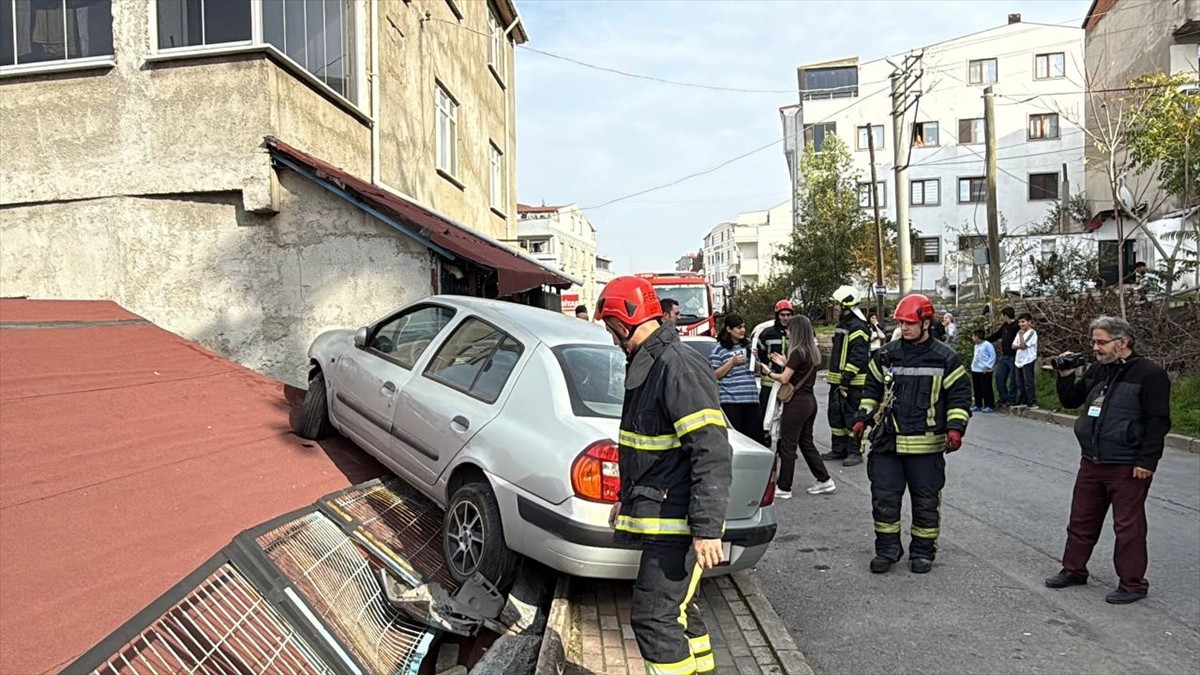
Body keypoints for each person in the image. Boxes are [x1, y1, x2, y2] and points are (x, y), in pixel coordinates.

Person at [595, 276, 729, 674]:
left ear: (623, 322)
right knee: (681, 611)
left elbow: (711, 450)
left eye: (609, 328)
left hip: (679, 522)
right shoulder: (650, 364)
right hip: (665, 515)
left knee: (653, 619)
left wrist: (707, 527)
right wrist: (626, 496)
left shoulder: (677, 366)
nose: (611, 337)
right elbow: (647, 448)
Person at [1045, 316, 1171, 604]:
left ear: (1123, 342)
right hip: (1092, 460)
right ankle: (1074, 570)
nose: (1095, 347)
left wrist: (1147, 461)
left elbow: (1158, 421)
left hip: (1127, 464)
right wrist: (1065, 376)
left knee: (1128, 527)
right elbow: (1071, 401)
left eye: (1101, 342)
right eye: (1094, 342)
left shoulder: (1150, 374)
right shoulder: (1098, 370)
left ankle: (1132, 584)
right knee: (1081, 519)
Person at [853, 293, 971, 574]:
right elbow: (871, 389)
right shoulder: (886, 354)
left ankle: (922, 552)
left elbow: (960, 396)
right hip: (887, 444)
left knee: (926, 501)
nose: (904, 328)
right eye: (901, 323)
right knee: (884, 499)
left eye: (909, 323)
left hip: (926, 447)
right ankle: (887, 550)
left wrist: (955, 429)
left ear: (926, 323)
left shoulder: (945, 358)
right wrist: (862, 418)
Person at [767, 315, 834, 498]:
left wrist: (768, 372)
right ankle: (824, 479)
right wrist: (784, 363)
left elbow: (784, 378)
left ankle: (784, 487)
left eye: (789, 329)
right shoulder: (812, 351)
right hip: (809, 401)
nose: (787, 332)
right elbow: (797, 370)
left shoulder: (796, 352)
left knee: (788, 445)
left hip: (796, 404)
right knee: (806, 442)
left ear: (795, 331)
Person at [823, 285, 870, 467]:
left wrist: (846, 380)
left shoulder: (858, 327)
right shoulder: (843, 325)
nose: (834, 307)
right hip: (838, 382)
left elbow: (857, 357)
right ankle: (839, 449)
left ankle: (854, 451)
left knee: (852, 417)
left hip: (852, 384)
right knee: (836, 417)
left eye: (836, 304)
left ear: (846, 306)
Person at [710, 314, 762, 444]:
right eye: (739, 327)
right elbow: (714, 375)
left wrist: (754, 358)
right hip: (731, 402)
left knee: (755, 440)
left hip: (750, 399)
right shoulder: (718, 350)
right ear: (729, 329)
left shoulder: (748, 346)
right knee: (737, 440)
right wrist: (731, 362)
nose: (742, 330)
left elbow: (757, 370)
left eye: (744, 327)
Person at [755, 300, 793, 428]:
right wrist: (767, 366)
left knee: (786, 416)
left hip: (789, 380)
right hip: (769, 381)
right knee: (765, 414)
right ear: (777, 315)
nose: (786, 318)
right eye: (782, 315)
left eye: (788, 315)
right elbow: (760, 354)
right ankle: (764, 439)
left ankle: (782, 443)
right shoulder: (767, 333)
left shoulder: (795, 333)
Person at [986, 307, 1020, 406]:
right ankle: (1003, 397)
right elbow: (997, 335)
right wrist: (985, 340)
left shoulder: (1017, 326)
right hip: (1004, 356)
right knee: (999, 377)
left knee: (1013, 380)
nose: (1001, 318)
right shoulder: (1005, 326)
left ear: (1005, 316)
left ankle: (1012, 399)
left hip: (1014, 356)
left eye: (1002, 316)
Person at [1013, 312, 1039, 408]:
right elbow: (1013, 346)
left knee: (1028, 382)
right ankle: (1023, 400)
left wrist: (1020, 337)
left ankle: (1032, 401)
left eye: (1023, 322)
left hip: (1028, 359)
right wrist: (1019, 345)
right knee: (1020, 382)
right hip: (1019, 360)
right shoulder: (1019, 332)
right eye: (1019, 322)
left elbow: (1023, 346)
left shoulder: (1032, 333)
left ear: (1029, 322)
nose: (1021, 324)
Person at [970, 329, 996, 413]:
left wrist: (987, 366)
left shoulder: (987, 345)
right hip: (975, 369)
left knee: (986, 388)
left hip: (984, 370)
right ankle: (978, 404)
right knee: (977, 388)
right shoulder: (976, 345)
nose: (972, 338)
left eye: (973, 336)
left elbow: (992, 356)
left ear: (977, 337)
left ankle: (989, 405)